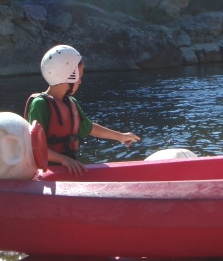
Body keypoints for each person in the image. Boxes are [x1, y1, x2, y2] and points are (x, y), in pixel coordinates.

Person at [25, 45, 140, 176]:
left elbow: (91, 128)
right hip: (48, 173)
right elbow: (35, 146)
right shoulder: (39, 105)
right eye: (78, 77)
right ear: (67, 76)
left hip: (67, 168)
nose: (80, 82)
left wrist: (121, 137)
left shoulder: (71, 102)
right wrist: (64, 159)